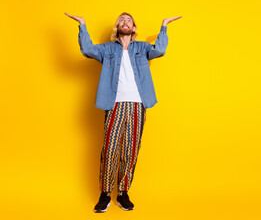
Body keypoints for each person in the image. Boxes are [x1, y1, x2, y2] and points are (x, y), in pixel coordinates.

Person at [65, 12, 182, 213]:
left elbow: (160, 50)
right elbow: (86, 50)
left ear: (134, 28)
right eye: (121, 20)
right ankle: (104, 194)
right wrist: (82, 25)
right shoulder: (107, 49)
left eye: (128, 20)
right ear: (117, 27)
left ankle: (123, 193)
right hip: (114, 104)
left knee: (130, 150)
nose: (125, 22)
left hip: (138, 104)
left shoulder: (142, 48)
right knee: (110, 150)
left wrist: (164, 26)